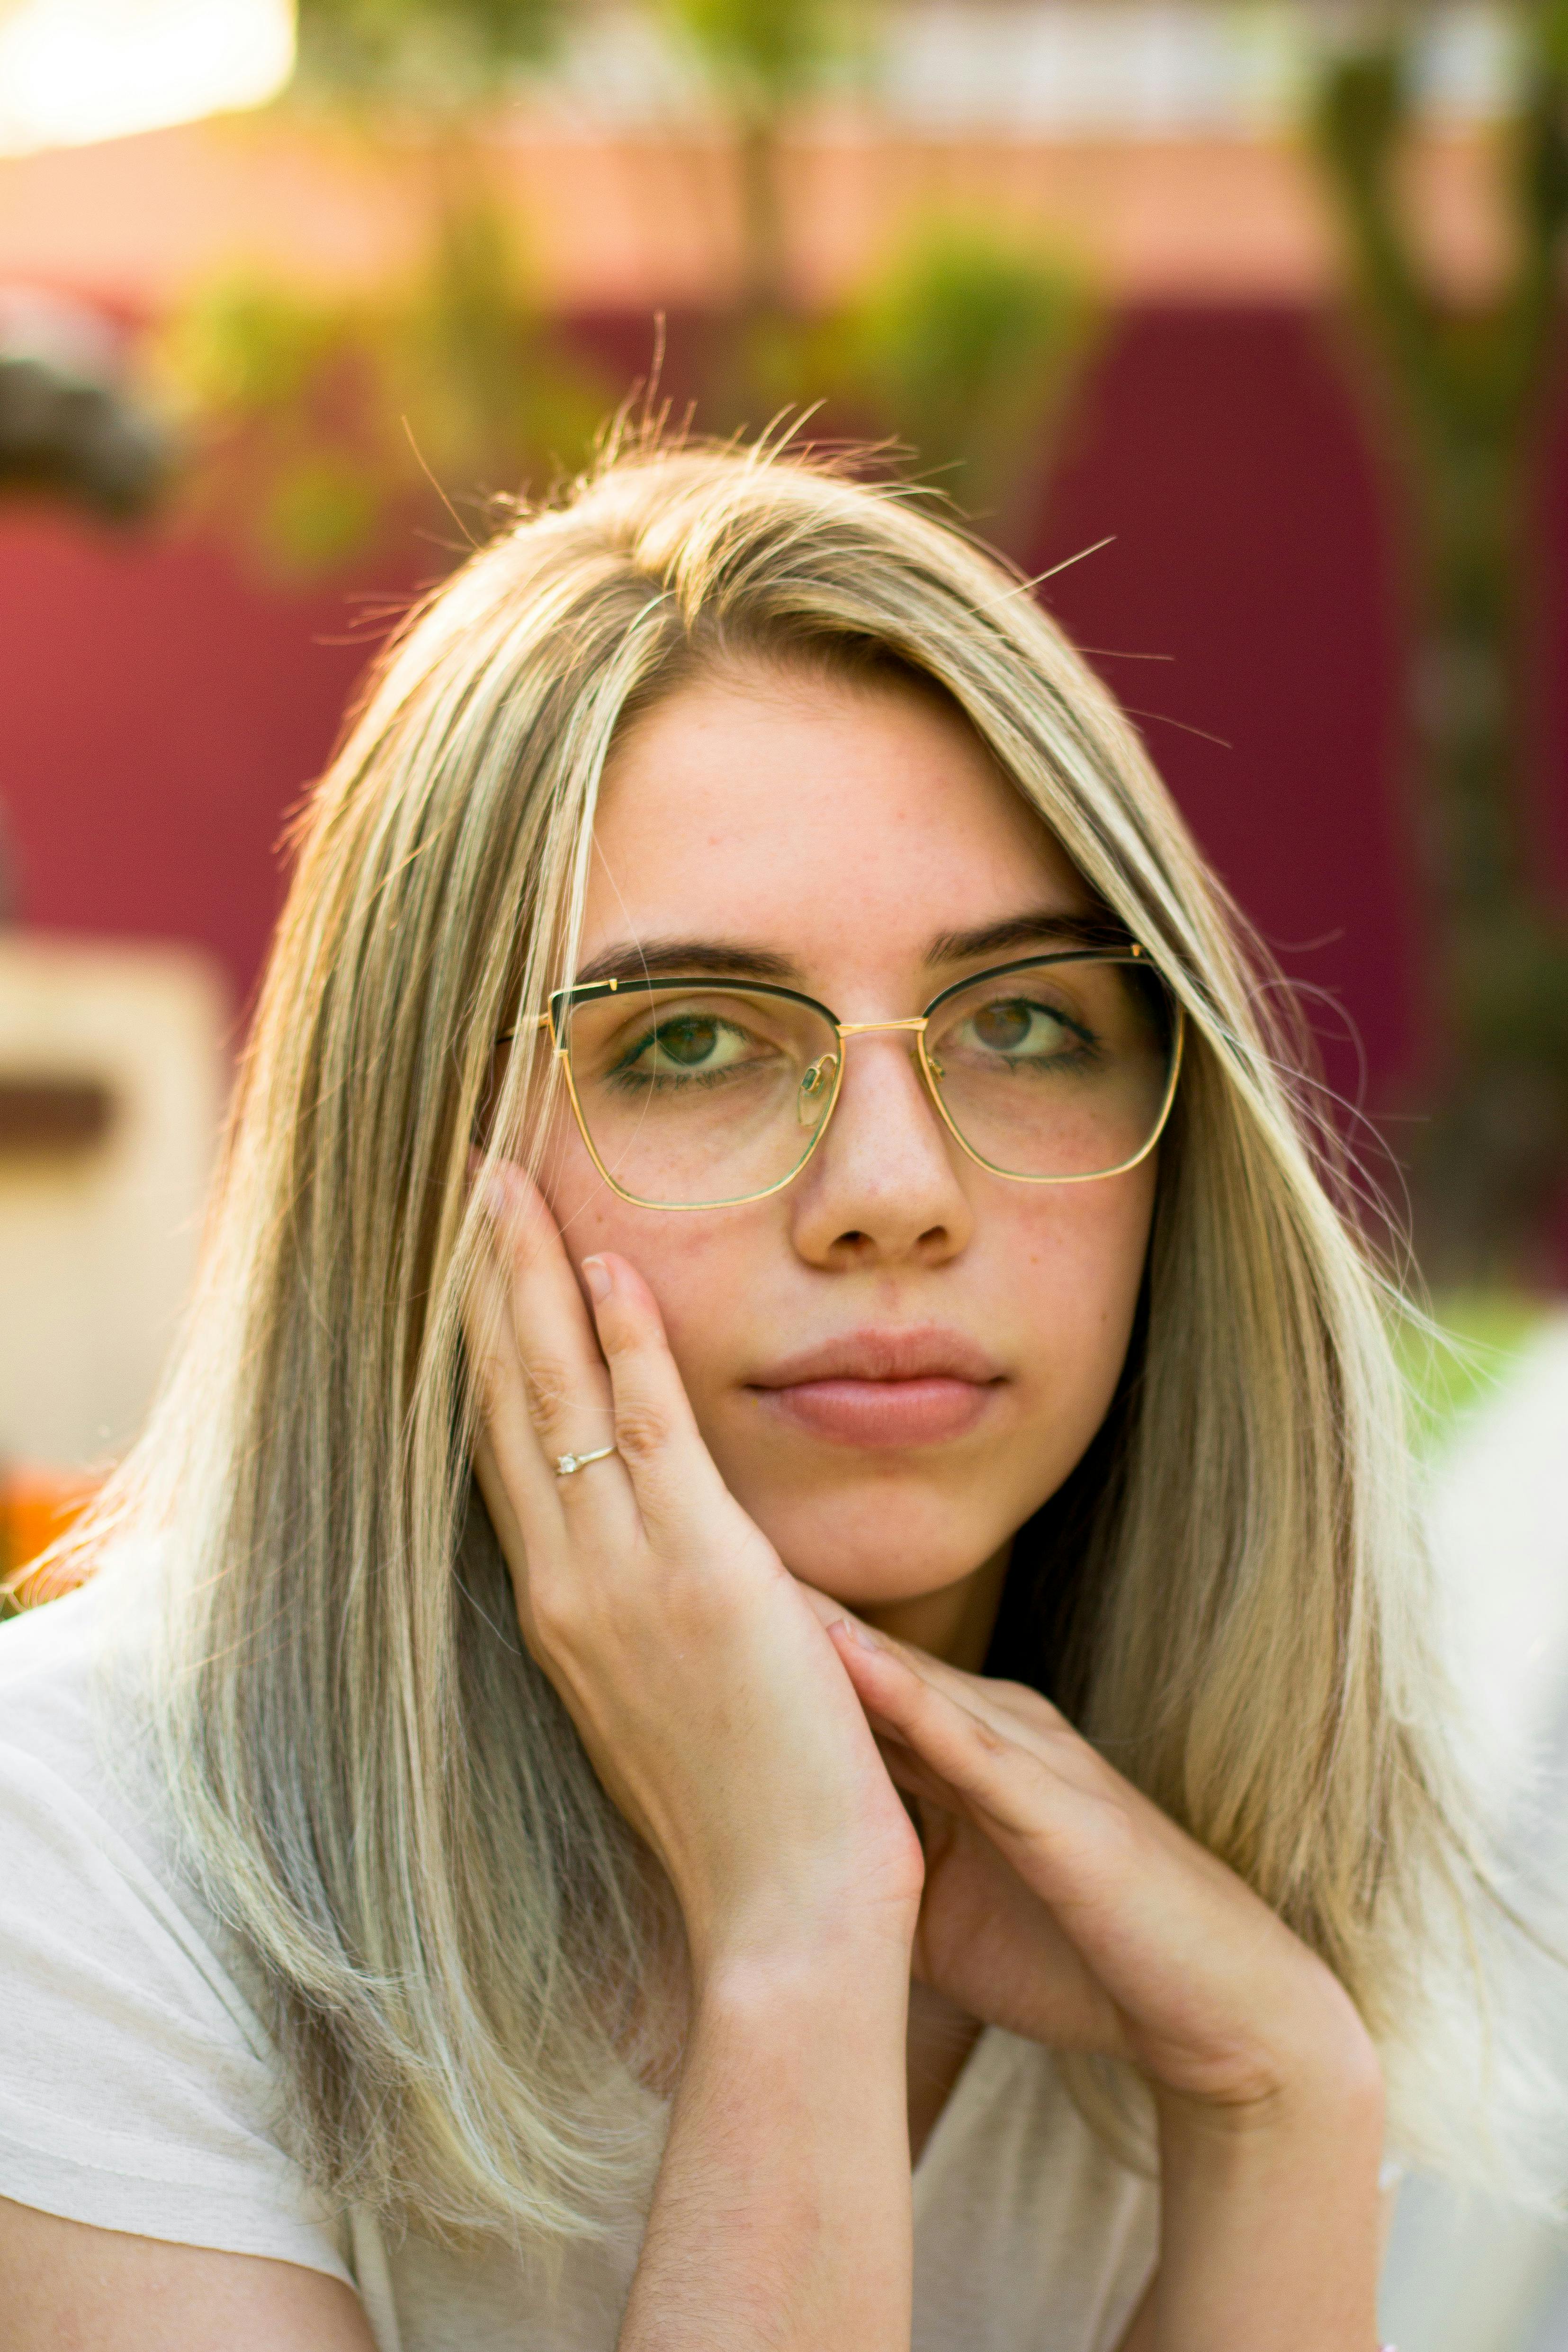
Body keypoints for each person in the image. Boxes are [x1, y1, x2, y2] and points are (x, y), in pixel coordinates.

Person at [0, 443, 1532, 2350]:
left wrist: (1277, 2114)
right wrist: (803, 1936)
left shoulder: (1189, 1923)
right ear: (412, 1161)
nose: (898, 1190)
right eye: (694, 1041)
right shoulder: (73, 1854)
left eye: (1025, 1023)